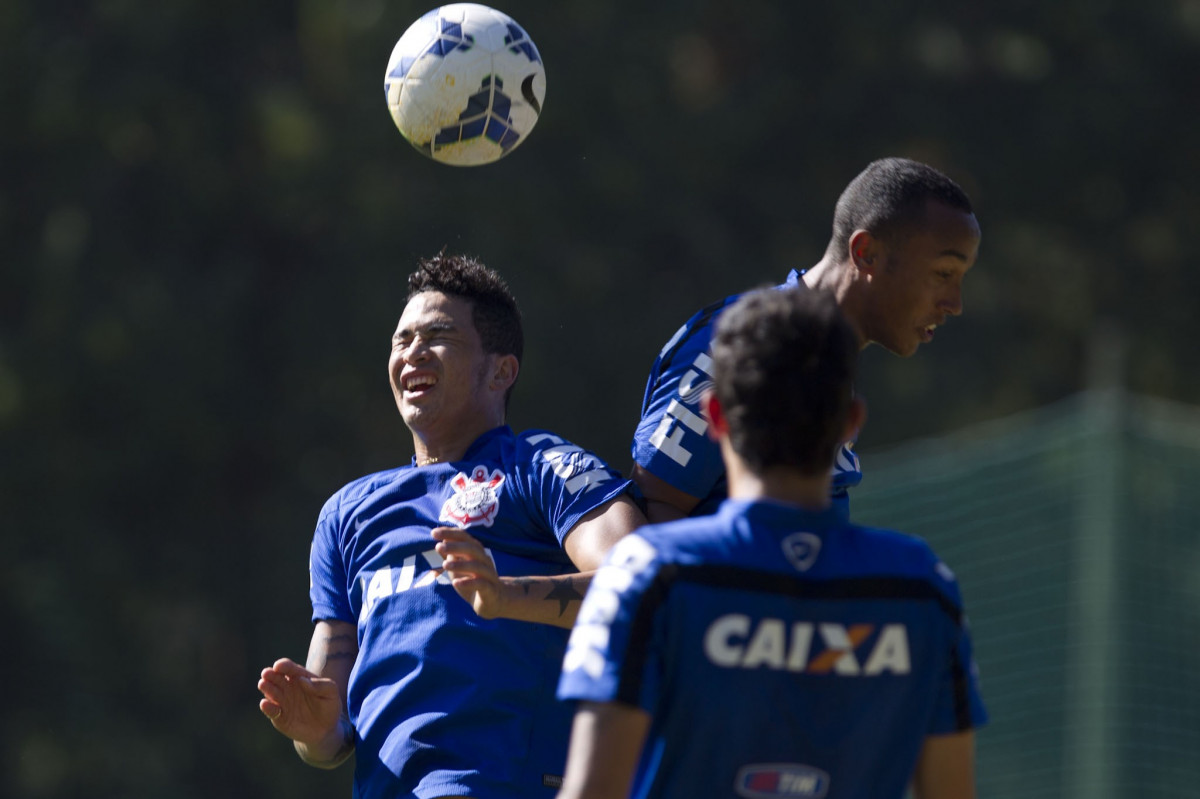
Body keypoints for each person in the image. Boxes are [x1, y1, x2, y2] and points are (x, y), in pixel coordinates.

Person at [556, 287, 988, 799]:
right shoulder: (922, 589)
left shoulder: (647, 576)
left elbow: (591, 791)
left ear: (715, 416)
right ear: (851, 424)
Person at [257, 253, 645, 799]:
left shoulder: (539, 466)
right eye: (401, 339)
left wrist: (505, 596)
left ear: (501, 371)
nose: (413, 351)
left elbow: (645, 588)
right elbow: (329, 736)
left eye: (439, 336)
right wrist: (314, 732)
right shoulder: (346, 513)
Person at [631, 157, 981, 522]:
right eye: (942, 273)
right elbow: (644, 533)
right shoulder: (740, 348)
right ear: (866, 253)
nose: (955, 304)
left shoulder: (824, 354)